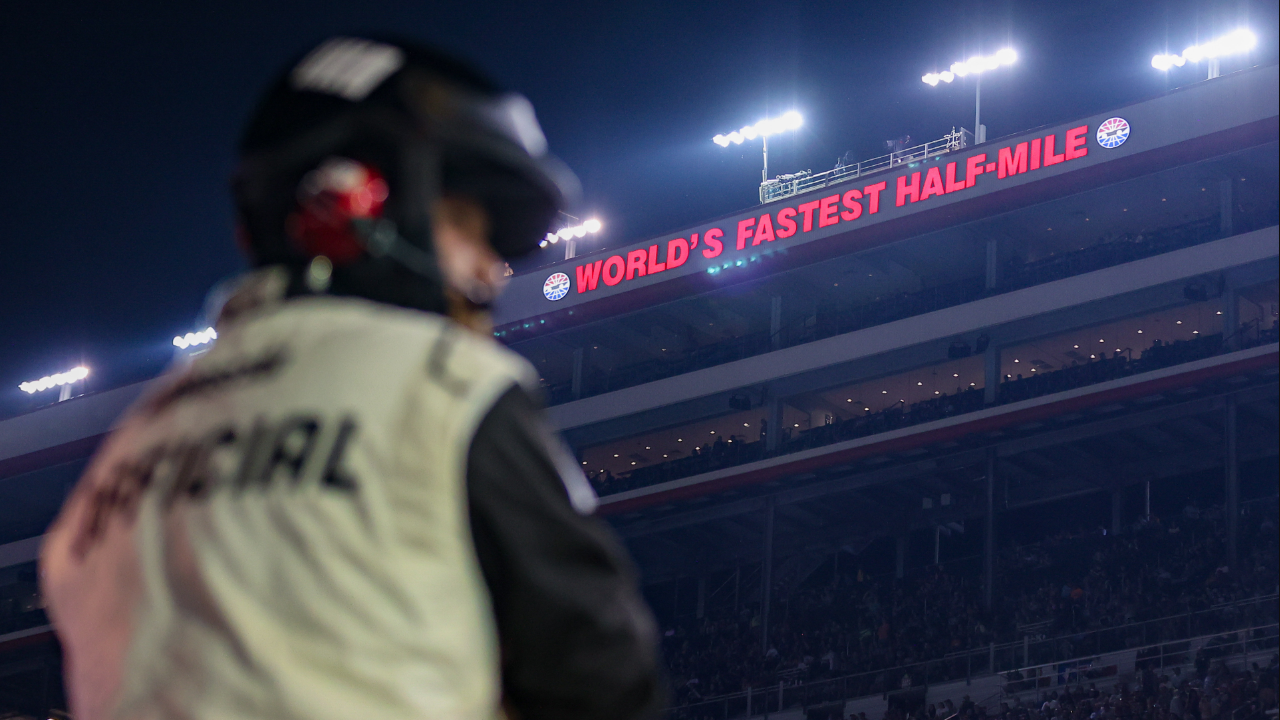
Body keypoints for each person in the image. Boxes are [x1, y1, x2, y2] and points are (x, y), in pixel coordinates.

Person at [40, 36, 661, 720]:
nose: (492, 270)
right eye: (467, 226)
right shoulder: (442, 384)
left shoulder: (116, 460)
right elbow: (603, 674)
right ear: (358, 201)